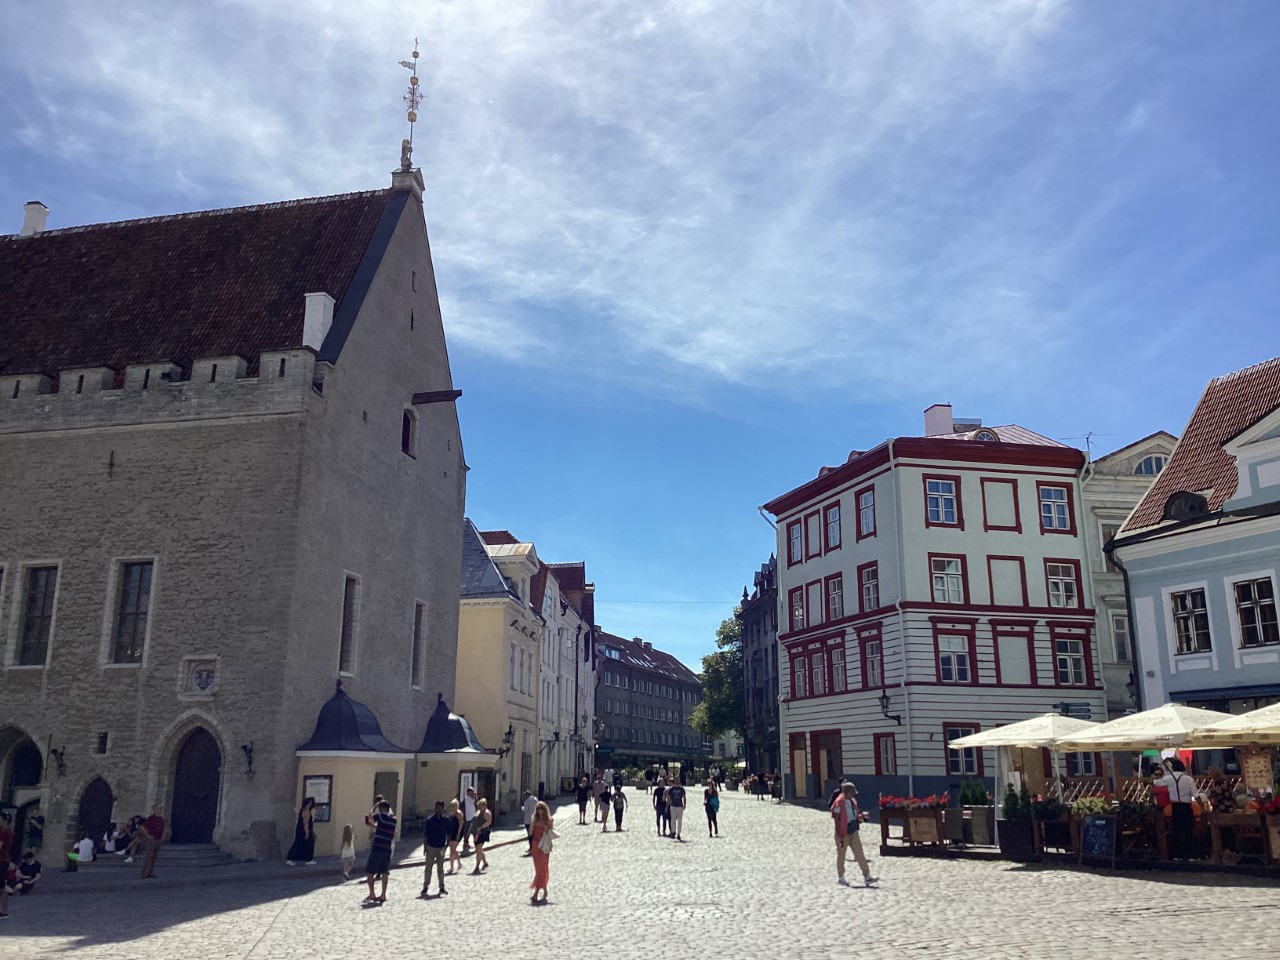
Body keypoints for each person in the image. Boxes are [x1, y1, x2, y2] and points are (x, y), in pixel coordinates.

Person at [831, 781, 877, 887]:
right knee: (841, 855)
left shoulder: (853, 801)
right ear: (846, 793)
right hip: (843, 833)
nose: (853, 795)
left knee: (859, 853)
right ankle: (841, 877)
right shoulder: (838, 802)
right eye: (852, 793)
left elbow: (855, 814)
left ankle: (867, 876)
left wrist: (862, 816)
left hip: (853, 831)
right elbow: (835, 817)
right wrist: (840, 833)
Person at [1155, 758, 1201, 860]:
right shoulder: (1188, 779)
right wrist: (1202, 807)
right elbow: (1196, 795)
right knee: (1188, 830)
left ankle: (1177, 854)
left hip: (1175, 807)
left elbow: (1156, 783)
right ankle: (1190, 854)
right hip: (1186, 806)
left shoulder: (1168, 778)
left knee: (1177, 831)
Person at [363, 800, 396, 904]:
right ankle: (383, 894)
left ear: (381, 808)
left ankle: (372, 893)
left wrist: (373, 808)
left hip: (378, 848)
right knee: (384, 872)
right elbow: (380, 828)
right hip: (387, 848)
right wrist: (375, 827)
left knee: (369, 871)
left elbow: (369, 819)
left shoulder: (381, 816)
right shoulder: (393, 820)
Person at [419, 801, 450, 898]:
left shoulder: (446, 820)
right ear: (435, 808)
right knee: (428, 868)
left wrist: (447, 844)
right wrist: (425, 847)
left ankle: (441, 887)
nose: (439, 810)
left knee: (440, 869)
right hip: (431, 846)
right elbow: (426, 834)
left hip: (441, 847)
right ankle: (425, 887)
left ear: (443, 809)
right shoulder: (430, 820)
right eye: (437, 808)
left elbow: (448, 833)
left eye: (440, 808)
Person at [529, 800, 554, 904]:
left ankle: (536, 892)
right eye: (538, 809)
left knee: (543, 869)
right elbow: (530, 833)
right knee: (538, 869)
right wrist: (532, 824)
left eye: (541, 809)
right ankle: (544, 890)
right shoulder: (534, 820)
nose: (540, 811)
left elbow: (551, 833)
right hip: (535, 845)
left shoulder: (548, 820)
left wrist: (546, 827)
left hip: (544, 846)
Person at [286, 796, 317, 865]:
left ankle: (292, 858)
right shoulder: (307, 811)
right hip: (304, 829)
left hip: (300, 829)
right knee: (308, 844)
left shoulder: (302, 810)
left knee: (299, 843)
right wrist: (307, 832)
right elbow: (306, 822)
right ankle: (307, 859)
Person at [470, 799, 492, 874]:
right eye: (478, 805)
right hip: (475, 832)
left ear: (485, 806)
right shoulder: (478, 812)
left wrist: (481, 827)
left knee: (478, 849)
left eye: (481, 806)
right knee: (478, 849)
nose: (479, 807)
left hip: (482, 833)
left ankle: (477, 866)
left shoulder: (487, 813)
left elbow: (488, 822)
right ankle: (485, 863)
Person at [446, 799, 465, 874]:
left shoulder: (459, 813)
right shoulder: (451, 814)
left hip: (457, 832)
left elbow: (461, 824)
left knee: (452, 850)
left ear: (457, 806)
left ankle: (451, 867)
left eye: (454, 805)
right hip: (452, 832)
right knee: (452, 849)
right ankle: (459, 863)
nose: (452, 807)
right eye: (451, 805)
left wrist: (458, 834)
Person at [0, 812, 11, 919]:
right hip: (4, 860)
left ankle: (4, 911)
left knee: (1, 887)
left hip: (1, 861)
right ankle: (3, 910)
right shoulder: (7, 831)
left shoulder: (3, 832)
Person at [461, 787, 478, 853]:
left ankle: (471, 844)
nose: (473, 793)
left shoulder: (472, 799)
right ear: (468, 792)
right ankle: (465, 844)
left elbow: (476, 805)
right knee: (467, 832)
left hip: (473, 818)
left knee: (474, 832)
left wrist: (475, 797)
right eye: (472, 792)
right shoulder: (466, 799)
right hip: (468, 818)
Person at [521, 791, 537, 856]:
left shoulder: (527, 801)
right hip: (534, 820)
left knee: (530, 835)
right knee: (534, 834)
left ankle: (531, 847)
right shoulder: (535, 799)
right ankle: (534, 847)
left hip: (528, 820)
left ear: (527, 795)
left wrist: (522, 808)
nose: (524, 797)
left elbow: (525, 810)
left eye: (525, 796)